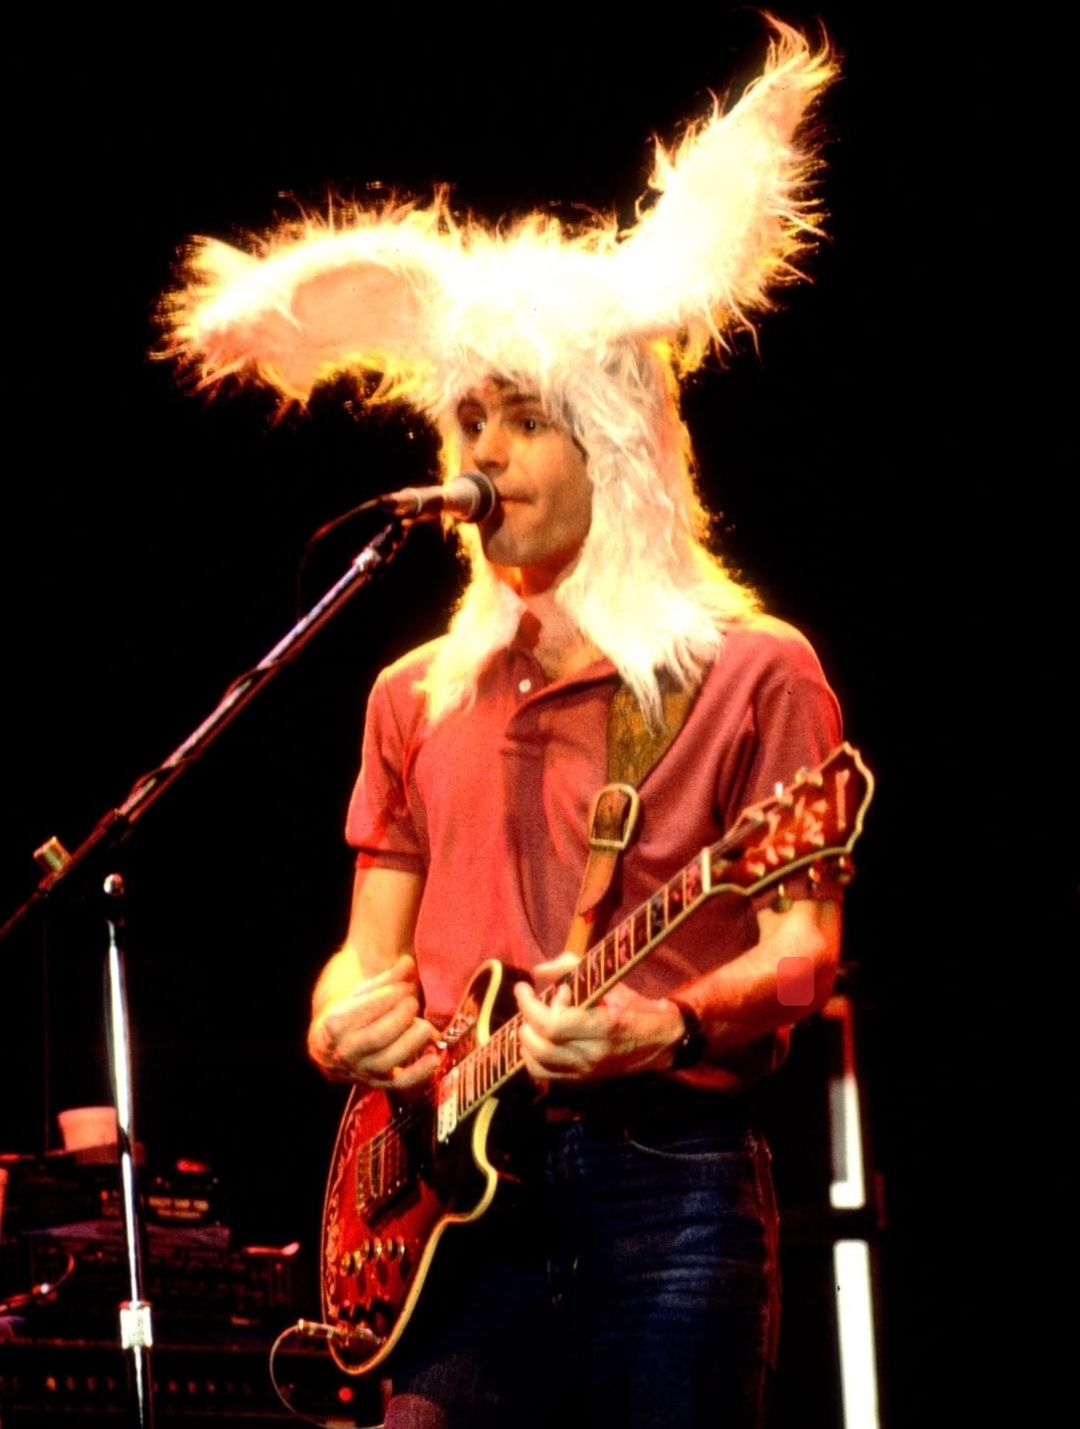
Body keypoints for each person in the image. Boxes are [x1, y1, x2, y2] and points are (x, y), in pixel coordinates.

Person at [164, 20, 842, 1427]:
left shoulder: (753, 670)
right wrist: (343, 1027)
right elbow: (365, 960)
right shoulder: (413, 691)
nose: (477, 450)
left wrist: (668, 1022)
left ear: (617, 442)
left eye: (520, 416)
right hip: (445, 1217)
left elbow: (802, 955)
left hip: (670, 1186)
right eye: (464, 415)